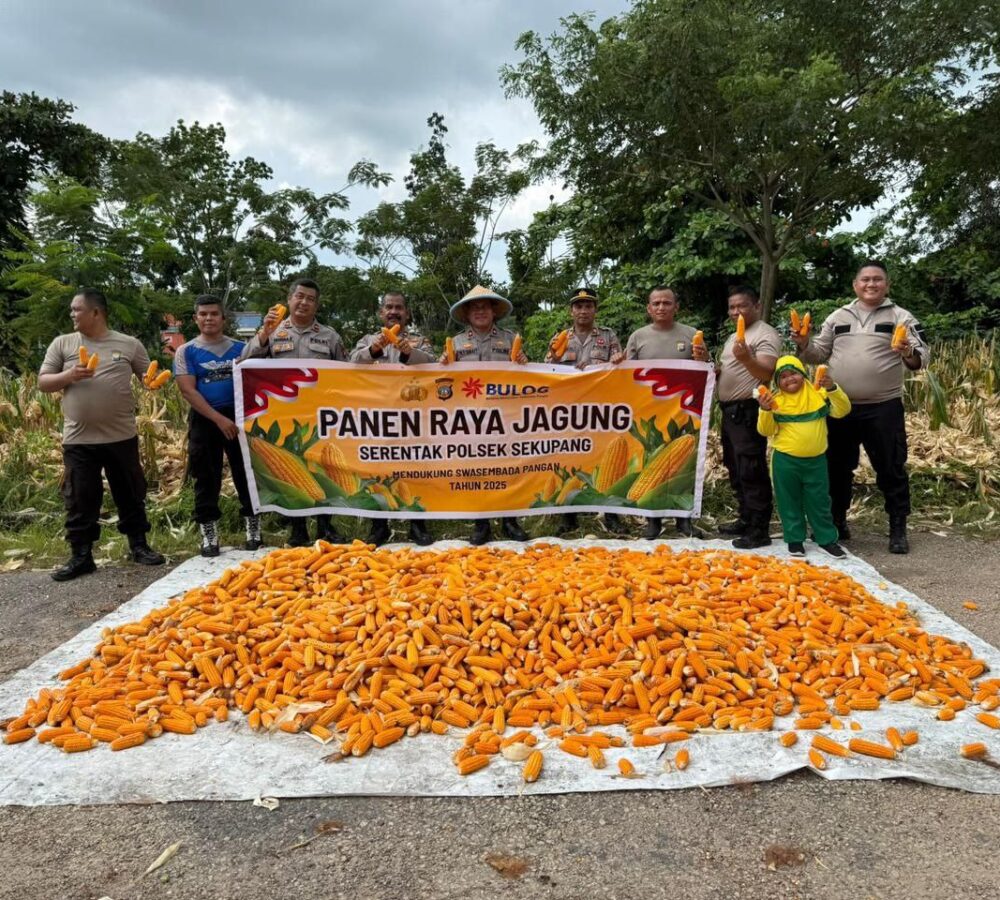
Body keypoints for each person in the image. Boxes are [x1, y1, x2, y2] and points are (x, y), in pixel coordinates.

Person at [792, 260, 930, 553]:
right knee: (837, 468)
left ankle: (897, 528)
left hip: (883, 406)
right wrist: (804, 344)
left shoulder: (901, 317)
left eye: (877, 279)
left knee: (890, 467)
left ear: (887, 285)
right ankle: (837, 522)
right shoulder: (838, 316)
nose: (871, 284)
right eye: (865, 279)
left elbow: (920, 359)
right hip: (839, 405)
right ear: (855, 285)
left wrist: (908, 351)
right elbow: (818, 353)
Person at [38, 288, 165, 581]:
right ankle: (81, 556)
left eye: (77, 309)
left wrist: (153, 383)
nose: (72, 314)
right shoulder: (63, 343)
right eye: (72, 309)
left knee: (130, 493)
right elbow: (44, 382)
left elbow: (147, 379)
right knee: (80, 498)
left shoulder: (129, 344)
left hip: (121, 436)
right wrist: (69, 375)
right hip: (79, 439)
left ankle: (139, 546)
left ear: (96, 312)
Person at [240, 278, 348, 547]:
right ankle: (297, 528)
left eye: (310, 299)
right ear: (289, 300)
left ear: (317, 305)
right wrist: (263, 334)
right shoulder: (272, 332)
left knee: (322, 467)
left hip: (319, 415)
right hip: (282, 414)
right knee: (287, 470)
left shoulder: (330, 336)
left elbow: (346, 374)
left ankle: (326, 525)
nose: (304, 302)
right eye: (299, 296)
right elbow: (244, 363)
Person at [439, 284, 530, 546]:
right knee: (476, 470)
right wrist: (442, 364)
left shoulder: (510, 339)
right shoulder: (456, 343)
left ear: (493, 311)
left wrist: (524, 363)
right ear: (467, 314)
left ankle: (510, 520)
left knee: (507, 467)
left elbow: (527, 377)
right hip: (470, 418)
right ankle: (481, 523)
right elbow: (443, 381)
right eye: (475, 308)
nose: (480, 311)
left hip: (504, 416)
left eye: (485, 307)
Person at [174, 294, 262, 557]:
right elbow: (188, 390)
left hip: (239, 417)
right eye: (203, 314)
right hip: (205, 418)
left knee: (246, 473)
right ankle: (209, 533)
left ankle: (253, 527)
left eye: (214, 314)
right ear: (195, 319)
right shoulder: (185, 351)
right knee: (205, 476)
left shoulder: (241, 348)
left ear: (224, 318)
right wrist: (218, 419)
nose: (208, 318)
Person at [624, 286, 710, 540]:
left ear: (676, 307)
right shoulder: (638, 337)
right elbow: (626, 374)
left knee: (682, 465)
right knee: (653, 464)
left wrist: (704, 358)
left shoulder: (692, 334)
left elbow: (705, 368)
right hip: (650, 412)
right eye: (656, 303)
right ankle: (653, 520)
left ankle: (684, 520)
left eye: (666, 303)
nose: (661, 307)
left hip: (684, 411)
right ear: (649, 308)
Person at [350, 290, 435, 547]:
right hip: (377, 419)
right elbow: (351, 364)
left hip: (412, 418)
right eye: (389, 307)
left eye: (399, 307)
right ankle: (379, 526)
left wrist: (410, 353)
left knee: (415, 470)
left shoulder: (420, 340)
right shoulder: (368, 339)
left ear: (407, 313)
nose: (394, 312)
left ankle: (417, 524)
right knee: (376, 472)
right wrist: (374, 350)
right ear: (381, 312)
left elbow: (433, 365)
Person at [545, 286, 626, 535]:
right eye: (578, 306)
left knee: (606, 459)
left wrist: (617, 361)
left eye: (588, 306)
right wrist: (555, 361)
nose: (583, 310)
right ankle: (568, 516)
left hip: (601, 411)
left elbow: (619, 366)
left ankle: (611, 515)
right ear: (571, 311)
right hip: (570, 411)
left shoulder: (608, 336)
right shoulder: (560, 338)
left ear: (595, 310)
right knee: (570, 460)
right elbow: (547, 371)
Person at [756, 356, 851, 558]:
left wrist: (833, 388)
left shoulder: (818, 394)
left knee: (820, 502)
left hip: (816, 461)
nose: (789, 379)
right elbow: (766, 431)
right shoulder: (775, 400)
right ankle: (795, 540)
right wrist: (765, 410)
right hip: (785, 462)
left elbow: (842, 410)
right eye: (783, 377)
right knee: (789, 501)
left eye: (794, 373)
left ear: (803, 374)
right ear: (777, 382)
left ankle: (826, 539)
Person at [715, 286, 782, 549]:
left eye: (741, 306)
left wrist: (746, 359)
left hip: (748, 409)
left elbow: (766, 372)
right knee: (735, 467)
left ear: (756, 306)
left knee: (751, 468)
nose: (736, 312)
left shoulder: (765, 334)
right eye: (732, 307)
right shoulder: (734, 336)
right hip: (730, 410)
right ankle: (745, 517)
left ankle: (759, 529)